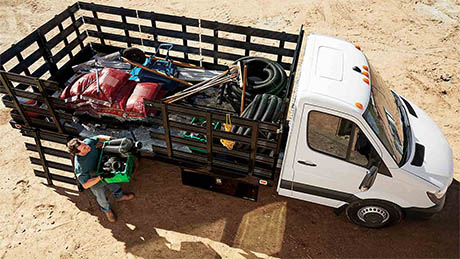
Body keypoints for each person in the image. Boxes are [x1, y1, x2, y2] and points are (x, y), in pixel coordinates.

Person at [67, 136, 135, 222]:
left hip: (102, 166)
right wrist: (100, 177)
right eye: (84, 148)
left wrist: (111, 139)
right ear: (78, 153)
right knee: (101, 197)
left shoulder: (87, 142)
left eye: (84, 144)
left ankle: (119, 196)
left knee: (113, 182)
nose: (88, 146)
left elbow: (98, 137)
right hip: (93, 179)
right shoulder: (80, 167)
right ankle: (107, 211)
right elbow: (85, 185)